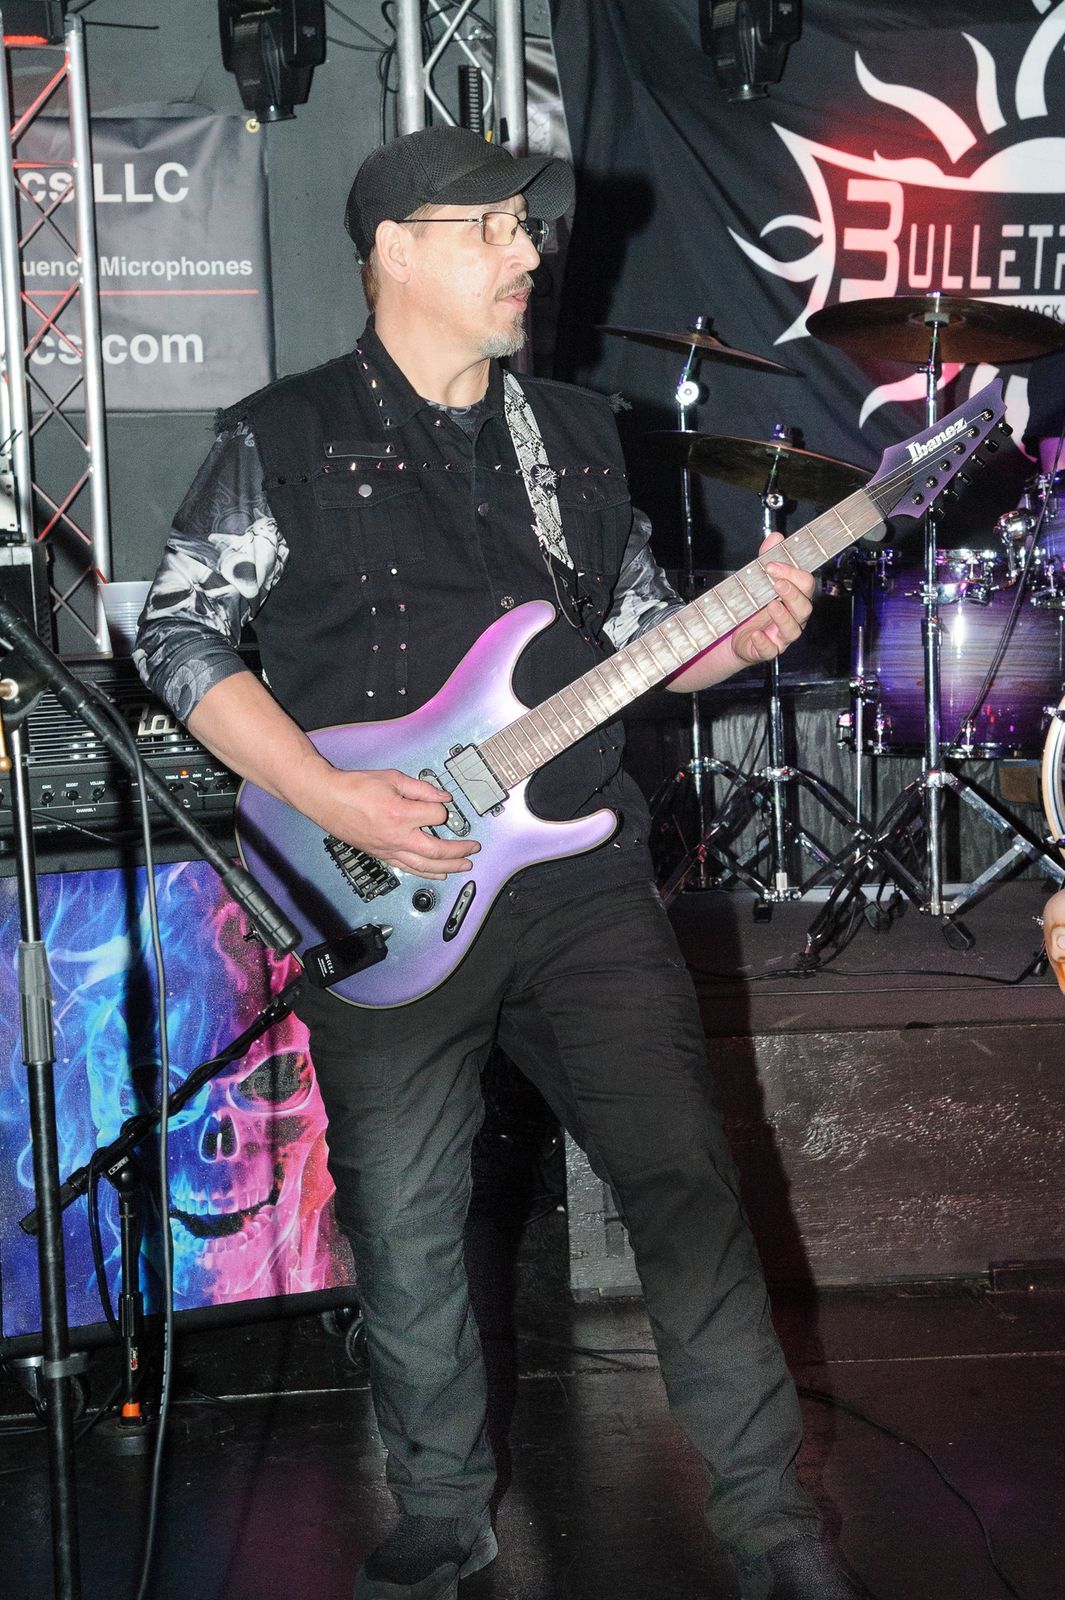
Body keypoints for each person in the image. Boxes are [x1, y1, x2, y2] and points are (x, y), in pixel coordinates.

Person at [135, 126, 870, 1600]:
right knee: (405, 1216)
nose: (528, 249)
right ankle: (439, 1508)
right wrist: (329, 795)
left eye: (525, 227)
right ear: (393, 249)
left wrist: (738, 637)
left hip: (578, 879)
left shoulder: (577, 438)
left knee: (682, 1187)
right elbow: (178, 635)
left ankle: (771, 1527)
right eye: (488, 226)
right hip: (376, 885)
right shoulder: (282, 435)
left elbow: (640, 639)